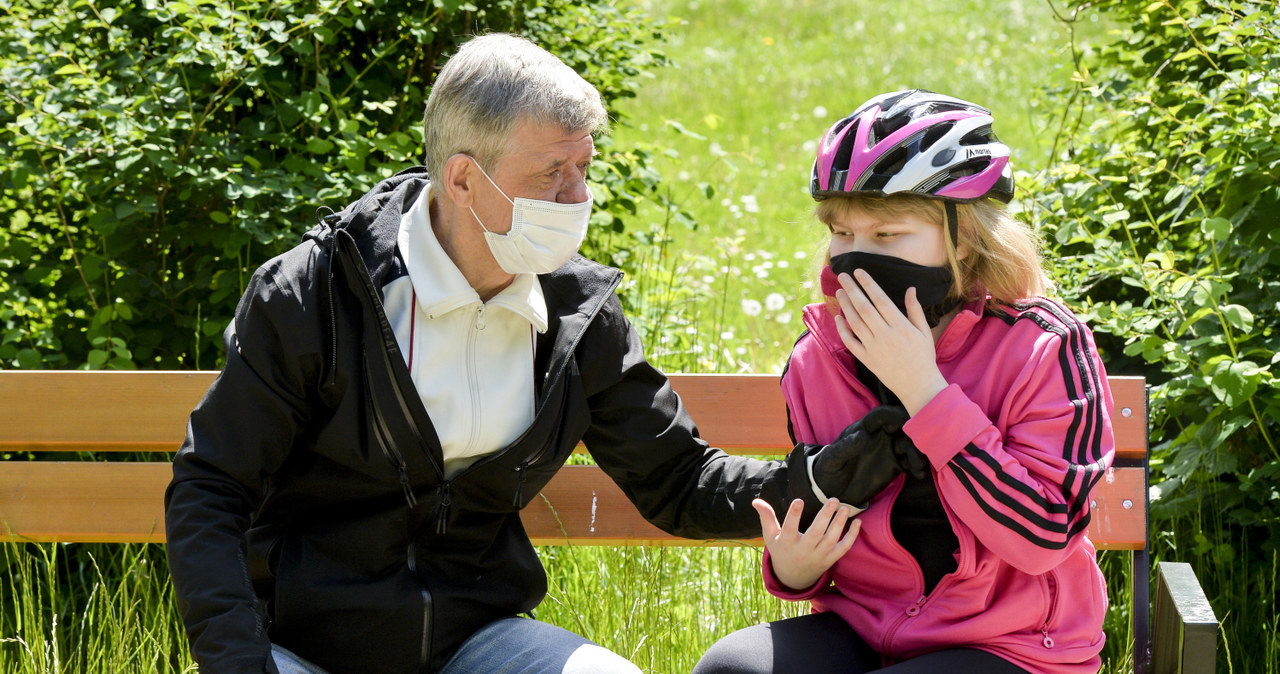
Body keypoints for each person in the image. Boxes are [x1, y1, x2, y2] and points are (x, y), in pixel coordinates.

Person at [163, 33, 861, 674]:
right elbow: (210, 489)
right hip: (297, 650)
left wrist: (825, 477)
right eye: (552, 173)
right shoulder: (314, 294)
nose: (578, 197)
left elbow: (678, 482)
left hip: (479, 642)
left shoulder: (578, 315)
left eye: (583, 167)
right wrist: (240, 665)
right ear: (463, 180)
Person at [693, 90, 1116, 674]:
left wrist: (925, 392)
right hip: (868, 631)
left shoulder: (1044, 347)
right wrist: (795, 568)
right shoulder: (818, 358)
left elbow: (1042, 537)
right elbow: (829, 521)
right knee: (730, 669)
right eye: (842, 234)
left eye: (887, 236)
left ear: (964, 237)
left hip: (1016, 647)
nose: (855, 260)